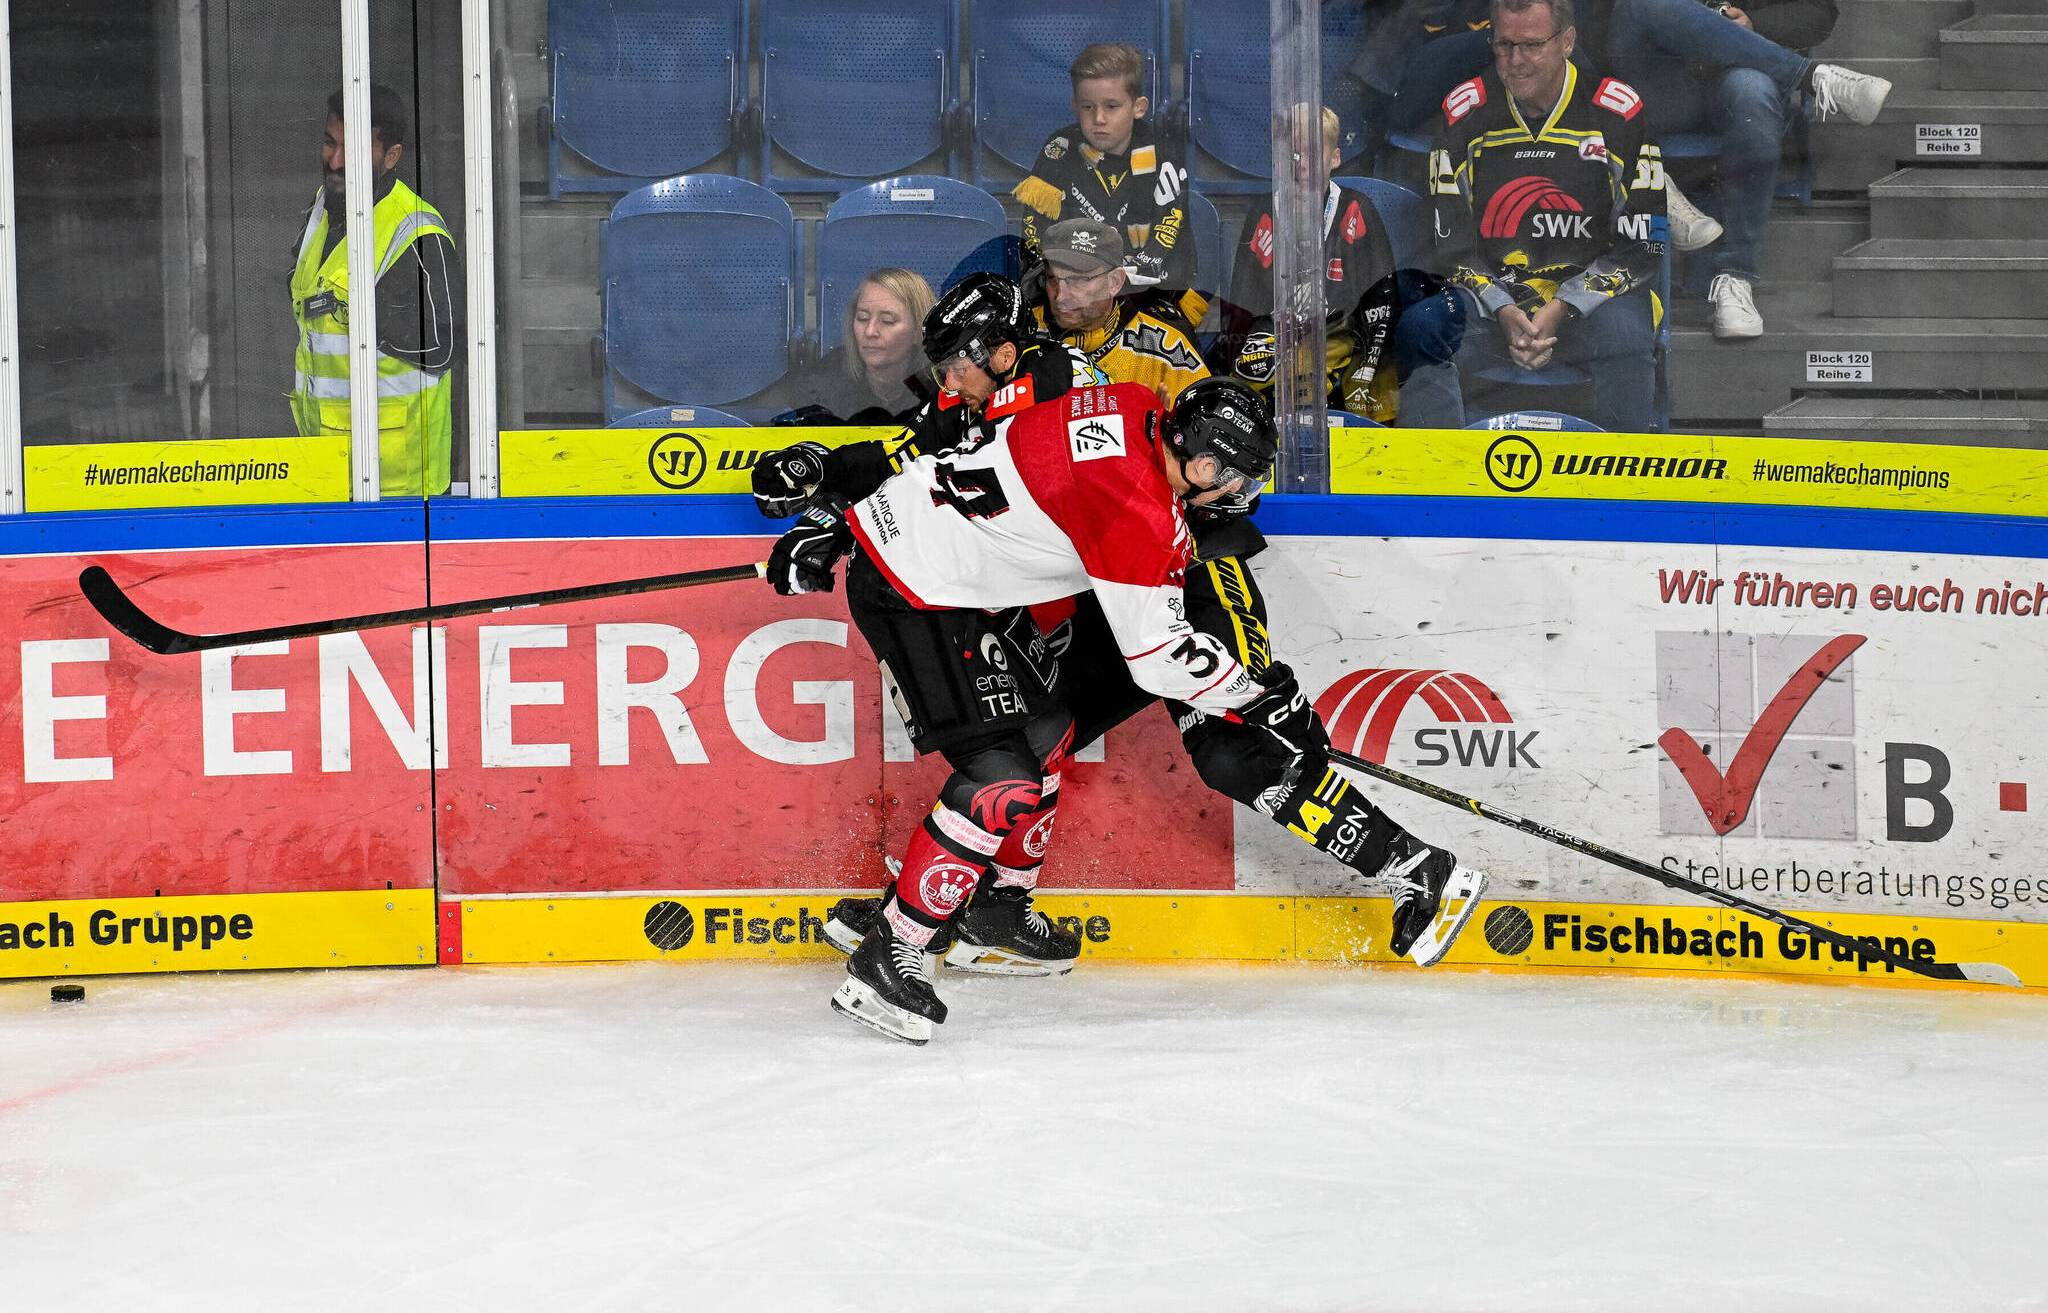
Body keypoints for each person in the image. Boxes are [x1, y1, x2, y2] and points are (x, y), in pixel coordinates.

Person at [759, 379, 1486, 1043]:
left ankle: (996, 909)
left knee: (1066, 736)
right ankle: (899, 943)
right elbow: (1157, 653)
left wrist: (852, 518)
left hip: (961, 572)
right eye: (1237, 475)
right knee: (1005, 773)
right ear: (1203, 467)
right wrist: (1268, 699)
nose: (1244, 490)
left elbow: (978, 440)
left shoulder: (1132, 404)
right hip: (932, 588)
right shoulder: (1142, 516)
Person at [1429, 0, 1664, 433]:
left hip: (1594, 303)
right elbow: (1451, 247)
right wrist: (1502, 307)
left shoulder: (1618, 112)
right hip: (1492, 303)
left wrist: (1565, 306)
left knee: (1626, 338)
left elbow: (1644, 244)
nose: (1516, 61)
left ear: (1567, 41)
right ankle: (1437, 472)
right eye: (1504, 44)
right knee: (1426, 330)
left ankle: (1623, 474)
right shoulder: (1464, 113)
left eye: (1532, 45)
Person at [1596, 0, 1883, 338]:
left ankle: (1736, 277)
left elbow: (1818, 12)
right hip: (1659, 78)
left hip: (1737, 72)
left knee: (1753, 95)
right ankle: (1811, 76)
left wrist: (1754, 24)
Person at [751, 273, 1102, 524]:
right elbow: (899, 457)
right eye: (943, 370)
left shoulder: (1057, 373)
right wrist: (822, 467)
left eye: (958, 368)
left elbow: (985, 476)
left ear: (1003, 355)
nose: (948, 384)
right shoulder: (965, 395)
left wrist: (847, 521)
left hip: (1099, 564)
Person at [1220, 105, 1466, 427]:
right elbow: (1243, 298)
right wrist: (1243, 348)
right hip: (1276, 335)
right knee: (1240, 392)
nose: (1301, 163)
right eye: (1292, 153)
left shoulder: (1356, 209)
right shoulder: (1264, 212)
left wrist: (1371, 360)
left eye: (1311, 153)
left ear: (1334, 158)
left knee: (1356, 392)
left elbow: (1382, 297)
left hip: (1343, 333)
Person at [290, 84, 461, 496]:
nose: (336, 161)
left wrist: (372, 316)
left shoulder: (418, 233)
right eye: (330, 143)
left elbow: (446, 347)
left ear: (392, 156)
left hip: (400, 488)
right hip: (328, 471)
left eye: (353, 149)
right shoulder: (322, 208)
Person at [1012, 42, 1205, 326]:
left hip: (1142, 299)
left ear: (1138, 107)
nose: (1098, 119)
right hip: (1070, 298)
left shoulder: (1163, 157)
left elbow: (1170, 238)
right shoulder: (1059, 151)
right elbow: (1035, 237)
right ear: (1074, 105)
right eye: (1087, 107)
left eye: (1112, 106)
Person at [1030, 218, 1210, 406]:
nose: (1060, 296)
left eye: (1078, 280)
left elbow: (1206, 416)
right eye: (1052, 278)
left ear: (1115, 282)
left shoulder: (1168, 350)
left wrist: (1167, 424)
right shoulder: (1023, 335)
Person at [762, 268, 934, 424]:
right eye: (862, 318)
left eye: (887, 321)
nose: (870, 331)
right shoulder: (824, 382)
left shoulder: (941, 386)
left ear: (918, 330)